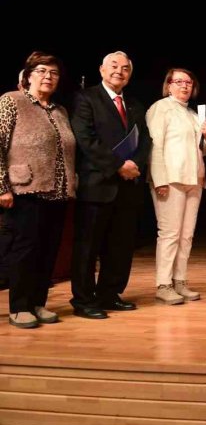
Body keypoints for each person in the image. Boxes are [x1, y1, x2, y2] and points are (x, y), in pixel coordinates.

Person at [69, 51, 150, 319]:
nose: (119, 71)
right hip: (97, 184)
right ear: (102, 70)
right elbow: (85, 138)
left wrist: (134, 164)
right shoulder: (86, 98)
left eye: (125, 68)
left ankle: (109, 294)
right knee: (87, 248)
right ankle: (83, 300)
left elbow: (145, 140)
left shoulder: (135, 105)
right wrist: (117, 165)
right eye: (114, 66)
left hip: (127, 188)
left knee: (120, 246)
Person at [0, 52, 76, 328]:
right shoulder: (12, 101)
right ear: (28, 75)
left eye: (53, 73)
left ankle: (37, 303)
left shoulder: (60, 110)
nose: (48, 77)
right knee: (25, 251)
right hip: (24, 190)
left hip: (57, 192)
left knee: (48, 250)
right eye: (42, 71)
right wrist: (2, 187)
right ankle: (19, 307)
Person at [145, 68, 206, 305]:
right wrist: (159, 179)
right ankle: (163, 284)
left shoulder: (193, 114)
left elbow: (203, 150)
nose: (185, 86)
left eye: (189, 83)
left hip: (194, 178)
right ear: (169, 85)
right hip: (171, 178)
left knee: (186, 235)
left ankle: (180, 280)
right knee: (170, 233)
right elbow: (155, 145)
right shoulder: (160, 108)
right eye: (179, 82)